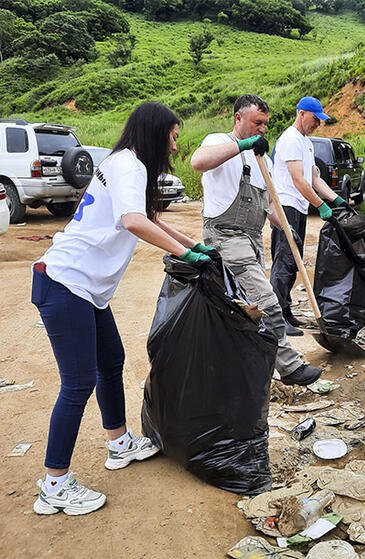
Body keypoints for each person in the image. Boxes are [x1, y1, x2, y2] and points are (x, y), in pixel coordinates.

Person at [31, 101, 211, 516]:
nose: (174, 145)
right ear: (155, 132)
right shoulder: (129, 166)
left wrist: (191, 246)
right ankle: (54, 484)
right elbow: (133, 222)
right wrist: (188, 256)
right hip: (66, 282)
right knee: (76, 385)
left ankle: (119, 443)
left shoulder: (120, 162)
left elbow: (148, 216)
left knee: (110, 362)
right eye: (172, 136)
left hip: (84, 289)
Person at [190, 94, 322, 386]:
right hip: (224, 236)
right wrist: (242, 145)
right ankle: (289, 367)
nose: (263, 129)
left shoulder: (262, 158)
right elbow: (197, 162)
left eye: (265, 124)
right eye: (257, 123)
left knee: (242, 311)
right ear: (238, 118)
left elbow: (270, 204)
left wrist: (285, 228)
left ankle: (236, 371)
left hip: (251, 241)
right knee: (267, 303)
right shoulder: (218, 141)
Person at [270, 96, 351, 335]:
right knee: (284, 261)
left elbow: (314, 178)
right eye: (315, 119)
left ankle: (285, 312)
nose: (318, 124)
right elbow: (297, 180)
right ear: (302, 113)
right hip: (286, 207)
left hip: (299, 208)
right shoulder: (290, 139)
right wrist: (320, 206)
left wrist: (335, 199)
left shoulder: (306, 142)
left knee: (293, 263)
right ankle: (277, 319)